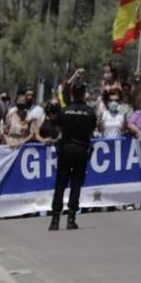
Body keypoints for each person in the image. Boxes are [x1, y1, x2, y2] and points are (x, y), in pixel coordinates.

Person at [49, 81, 97, 231]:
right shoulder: (90, 112)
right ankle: (71, 218)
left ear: (71, 94)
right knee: (76, 184)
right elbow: (91, 131)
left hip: (66, 149)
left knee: (60, 185)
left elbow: (58, 129)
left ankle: (55, 219)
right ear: (83, 94)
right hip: (81, 149)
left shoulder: (64, 111)